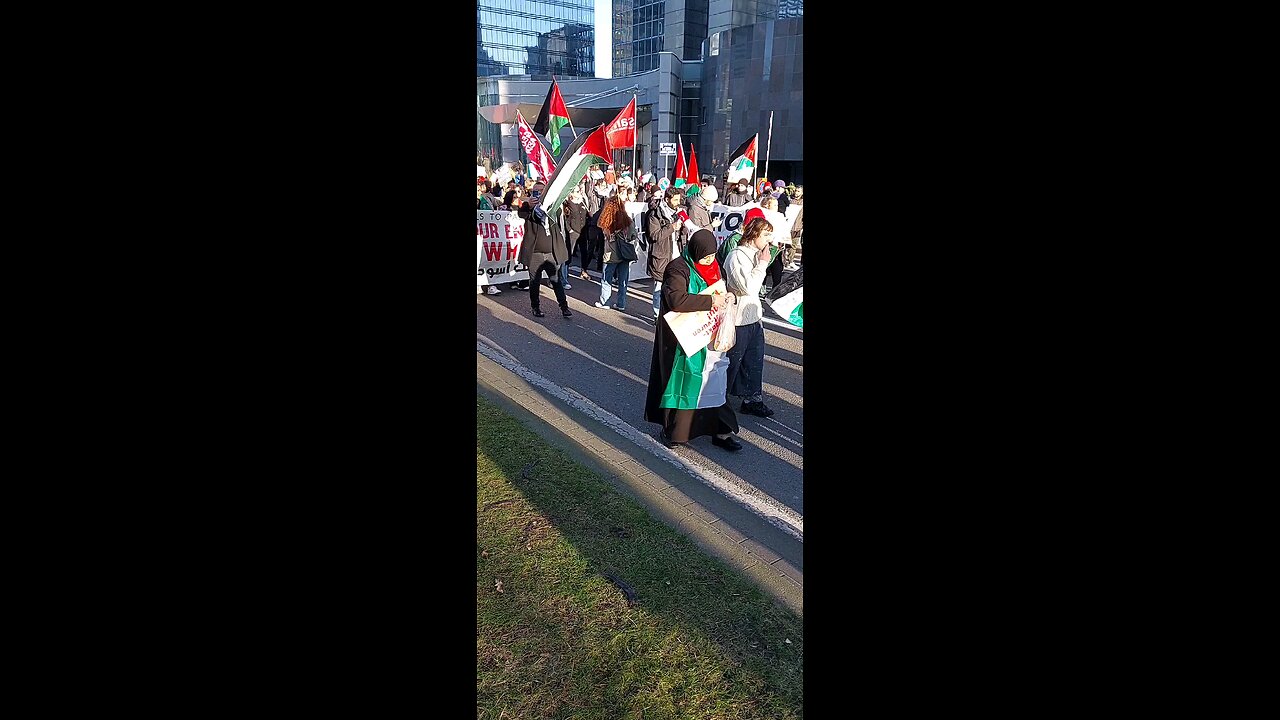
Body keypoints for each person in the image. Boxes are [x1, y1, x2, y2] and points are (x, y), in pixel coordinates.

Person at [645, 229, 741, 451]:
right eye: (705, 256)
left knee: (715, 381)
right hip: (684, 340)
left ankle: (721, 431)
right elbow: (676, 299)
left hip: (712, 338)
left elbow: (721, 288)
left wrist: (728, 297)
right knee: (686, 382)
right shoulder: (678, 268)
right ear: (694, 251)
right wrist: (710, 302)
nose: (709, 260)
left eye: (712, 256)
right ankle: (676, 432)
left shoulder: (715, 266)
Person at [723, 216, 777, 418]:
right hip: (738, 318)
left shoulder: (756, 254)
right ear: (753, 234)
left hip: (753, 316)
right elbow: (748, 287)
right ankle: (719, 399)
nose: (768, 240)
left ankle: (752, 399)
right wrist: (762, 264)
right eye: (765, 234)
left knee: (754, 361)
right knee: (732, 361)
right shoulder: (737, 256)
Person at [516, 184, 572, 319]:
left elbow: (562, 215)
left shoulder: (553, 207)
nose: (539, 193)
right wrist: (529, 205)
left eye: (541, 191)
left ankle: (564, 307)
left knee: (556, 280)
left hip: (551, 252)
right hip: (535, 253)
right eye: (536, 191)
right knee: (534, 281)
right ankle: (535, 307)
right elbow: (521, 214)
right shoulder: (529, 207)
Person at [647, 188, 686, 318]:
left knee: (675, 286)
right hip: (662, 256)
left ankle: (671, 313)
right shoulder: (655, 214)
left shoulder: (678, 213)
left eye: (678, 200)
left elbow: (681, 236)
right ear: (667, 199)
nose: (677, 202)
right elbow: (654, 235)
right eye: (675, 200)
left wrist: (684, 228)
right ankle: (657, 316)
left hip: (676, 254)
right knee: (659, 287)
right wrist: (672, 227)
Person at [595, 196, 638, 312]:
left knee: (606, 279)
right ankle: (621, 303)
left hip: (611, 254)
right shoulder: (627, 220)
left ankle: (605, 302)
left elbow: (601, 231)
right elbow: (633, 235)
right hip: (625, 254)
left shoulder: (606, 222)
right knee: (623, 281)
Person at [561, 187, 588, 289]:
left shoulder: (582, 202)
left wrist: (584, 197)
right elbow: (566, 219)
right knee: (569, 254)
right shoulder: (568, 203)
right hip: (574, 232)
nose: (579, 193)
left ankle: (584, 270)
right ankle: (565, 275)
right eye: (577, 191)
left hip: (583, 231)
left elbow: (586, 214)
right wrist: (570, 230)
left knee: (584, 251)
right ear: (571, 194)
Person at [786, 185, 803, 270]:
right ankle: (785, 261)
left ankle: (791, 261)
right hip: (788, 226)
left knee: (794, 245)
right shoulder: (790, 200)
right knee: (785, 244)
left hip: (798, 226)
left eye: (799, 191)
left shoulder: (802, 202)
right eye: (796, 190)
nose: (796, 193)